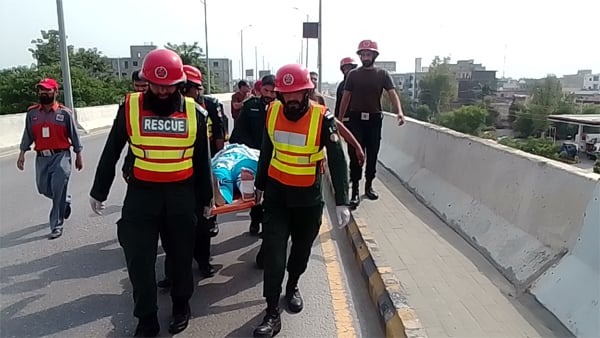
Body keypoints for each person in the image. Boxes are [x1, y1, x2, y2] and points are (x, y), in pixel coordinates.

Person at [89, 49, 213, 337]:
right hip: (142, 195)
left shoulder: (196, 113)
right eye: (156, 85)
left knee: (181, 256)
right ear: (146, 81)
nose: (161, 91)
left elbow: (202, 162)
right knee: (139, 259)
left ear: (179, 84)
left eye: (168, 86)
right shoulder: (130, 108)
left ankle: (181, 305)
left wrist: (206, 200)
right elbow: (112, 150)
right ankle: (146, 318)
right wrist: (99, 190)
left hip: (181, 195)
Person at [252, 64, 351, 337]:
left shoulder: (323, 118)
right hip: (276, 197)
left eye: (297, 93)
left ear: (308, 91)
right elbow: (266, 149)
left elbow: (338, 159)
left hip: (307, 199)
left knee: (301, 250)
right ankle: (272, 312)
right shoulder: (272, 111)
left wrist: (342, 200)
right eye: (286, 94)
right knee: (273, 252)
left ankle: (292, 284)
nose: (291, 99)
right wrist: (259, 186)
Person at [156, 65, 219, 290]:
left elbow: (216, 138)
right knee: (172, 233)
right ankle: (171, 274)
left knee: (201, 226)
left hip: (201, 170)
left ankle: (203, 262)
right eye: (193, 88)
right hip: (175, 179)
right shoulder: (164, 110)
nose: (196, 92)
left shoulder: (207, 107)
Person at [337, 39, 405, 209]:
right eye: (363, 54)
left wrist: (399, 112)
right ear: (360, 56)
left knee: (372, 154)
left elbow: (392, 94)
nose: (365, 57)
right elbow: (346, 97)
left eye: (368, 54)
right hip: (355, 119)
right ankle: (354, 192)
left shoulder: (382, 74)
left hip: (374, 120)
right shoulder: (353, 75)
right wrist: (339, 119)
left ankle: (368, 186)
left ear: (374, 55)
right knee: (355, 154)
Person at [17, 78, 83, 239]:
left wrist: (78, 154)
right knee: (43, 188)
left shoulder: (64, 113)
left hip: (61, 156)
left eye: (47, 90)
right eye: (41, 90)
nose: (44, 92)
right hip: (41, 158)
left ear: (55, 92)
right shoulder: (32, 113)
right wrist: (22, 153)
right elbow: (28, 135)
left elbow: (74, 135)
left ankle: (56, 225)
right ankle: (65, 200)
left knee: (58, 189)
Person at [229, 74, 277, 236]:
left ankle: (269, 225)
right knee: (255, 192)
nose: (269, 95)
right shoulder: (250, 106)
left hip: (274, 158)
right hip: (253, 156)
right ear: (260, 89)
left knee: (272, 195)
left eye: (273, 91)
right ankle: (255, 220)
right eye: (266, 90)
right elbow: (239, 132)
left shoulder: (282, 109)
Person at [334, 57, 358, 121]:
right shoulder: (341, 86)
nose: (347, 71)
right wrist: (337, 119)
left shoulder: (360, 83)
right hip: (345, 119)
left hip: (359, 120)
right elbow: (338, 103)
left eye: (349, 68)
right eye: (345, 68)